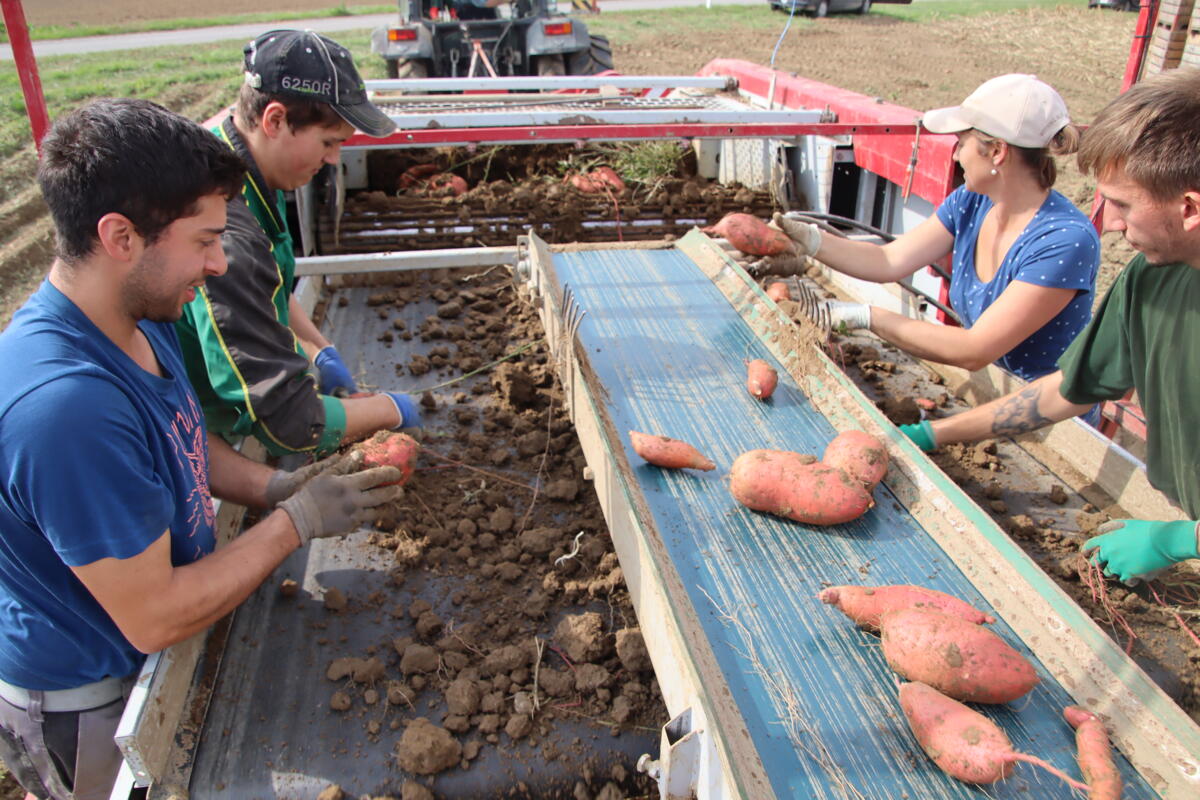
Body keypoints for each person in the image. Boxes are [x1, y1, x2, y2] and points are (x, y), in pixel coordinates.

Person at [0, 99, 402, 800]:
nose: (219, 262)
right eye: (204, 240)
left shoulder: (138, 316)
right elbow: (154, 615)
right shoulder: (65, 408)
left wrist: (273, 488)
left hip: (146, 635)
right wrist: (296, 522)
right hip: (95, 696)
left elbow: (185, 440)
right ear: (121, 236)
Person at [900, 67, 1200, 585]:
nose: (1108, 225)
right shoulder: (1152, 279)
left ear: (1189, 207)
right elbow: (1069, 391)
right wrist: (935, 433)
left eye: (1124, 205)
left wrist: (1179, 540)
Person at [177, 29, 421, 460]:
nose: (332, 160)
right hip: (187, 425)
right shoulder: (223, 237)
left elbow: (267, 281)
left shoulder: (234, 155)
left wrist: (319, 351)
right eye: (329, 143)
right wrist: (390, 411)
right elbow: (288, 423)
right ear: (274, 121)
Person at [769, 74, 1100, 382]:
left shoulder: (1064, 241)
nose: (955, 155)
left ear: (997, 151)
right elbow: (887, 261)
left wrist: (867, 317)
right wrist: (810, 240)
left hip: (1046, 419)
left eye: (962, 142)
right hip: (990, 388)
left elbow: (975, 349)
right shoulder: (971, 202)